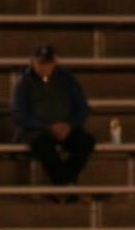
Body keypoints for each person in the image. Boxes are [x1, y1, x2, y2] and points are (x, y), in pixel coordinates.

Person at [10, 44, 95, 187]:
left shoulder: (67, 80)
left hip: (66, 128)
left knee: (85, 142)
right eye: (40, 63)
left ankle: (63, 182)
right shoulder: (24, 83)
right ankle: (66, 184)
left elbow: (82, 108)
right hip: (37, 131)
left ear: (54, 63)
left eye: (47, 63)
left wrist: (69, 125)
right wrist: (47, 127)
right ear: (33, 62)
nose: (43, 67)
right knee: (43, 145)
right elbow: (19, 115)